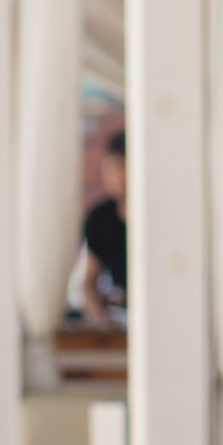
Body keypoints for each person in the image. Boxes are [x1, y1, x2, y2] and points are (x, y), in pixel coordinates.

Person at [81, 130, 128, 326]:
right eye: (112, 168)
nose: (119, 177)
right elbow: (89, 280)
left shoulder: (160, 215)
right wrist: (98, 314)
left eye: (124, 167)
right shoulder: (100, 218)